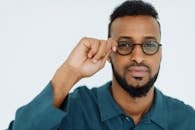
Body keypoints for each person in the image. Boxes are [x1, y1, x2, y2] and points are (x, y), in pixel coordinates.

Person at [7, 0, 195, 130]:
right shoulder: (74, 110)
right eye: (124, 45)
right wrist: (70, 72)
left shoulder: (187, 120)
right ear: (109, 52)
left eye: (149, 45)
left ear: (160, 53)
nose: (137, 56)